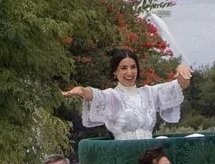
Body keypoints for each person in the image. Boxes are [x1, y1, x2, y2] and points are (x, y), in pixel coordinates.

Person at [64, 47, 194, 140]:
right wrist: (81, 90)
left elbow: (181, 85)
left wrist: (181, 69)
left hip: (150, 155)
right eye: (123, 68)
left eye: (133, 67)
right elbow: (94, 94)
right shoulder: (113, 96)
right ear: (115, 72)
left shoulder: (149, 93)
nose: (129, 72)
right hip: (124, 155)